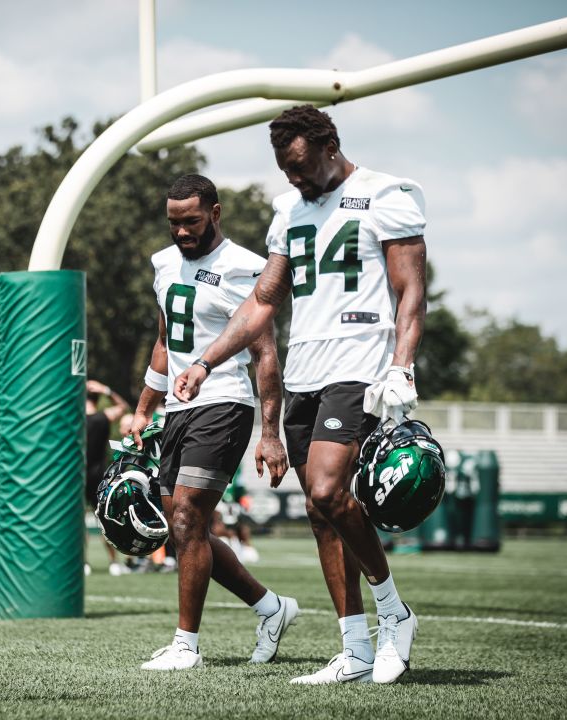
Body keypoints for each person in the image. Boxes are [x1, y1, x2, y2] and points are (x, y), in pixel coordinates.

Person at [173, 105, 428, 685]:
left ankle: (395, 612)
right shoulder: (288, 210)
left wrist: (401, 365)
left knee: (328, 489)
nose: (294, 178)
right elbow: (263, 301)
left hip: (359, 363)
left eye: (300, 165)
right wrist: (205, 363)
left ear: (329, 144)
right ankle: (355, 648)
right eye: (284, 169)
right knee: (319, 513)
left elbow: (410, 291)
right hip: (304, 371)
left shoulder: (388, 193)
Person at [127, 173, 296, 671]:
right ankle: (271, 607)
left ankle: (186, 646)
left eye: (192, 221)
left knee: (187, 519)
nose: (181, 232)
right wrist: (143, 408)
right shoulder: (162, 264)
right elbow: (165, 343)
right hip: (177, 410)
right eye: (174, 223)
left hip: (224, 404)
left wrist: (271, 434)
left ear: (215, 213)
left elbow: (265, 354)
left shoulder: (246, 267)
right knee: (183, 530)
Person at [85, 379, 130, 576]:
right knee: (104, 521)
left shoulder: (73, 418)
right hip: (98, 475)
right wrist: (107, 389)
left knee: (78, 524)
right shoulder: (103, 417)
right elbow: (124, 406)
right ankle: (113, 562)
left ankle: (83, 563)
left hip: (77, 477)